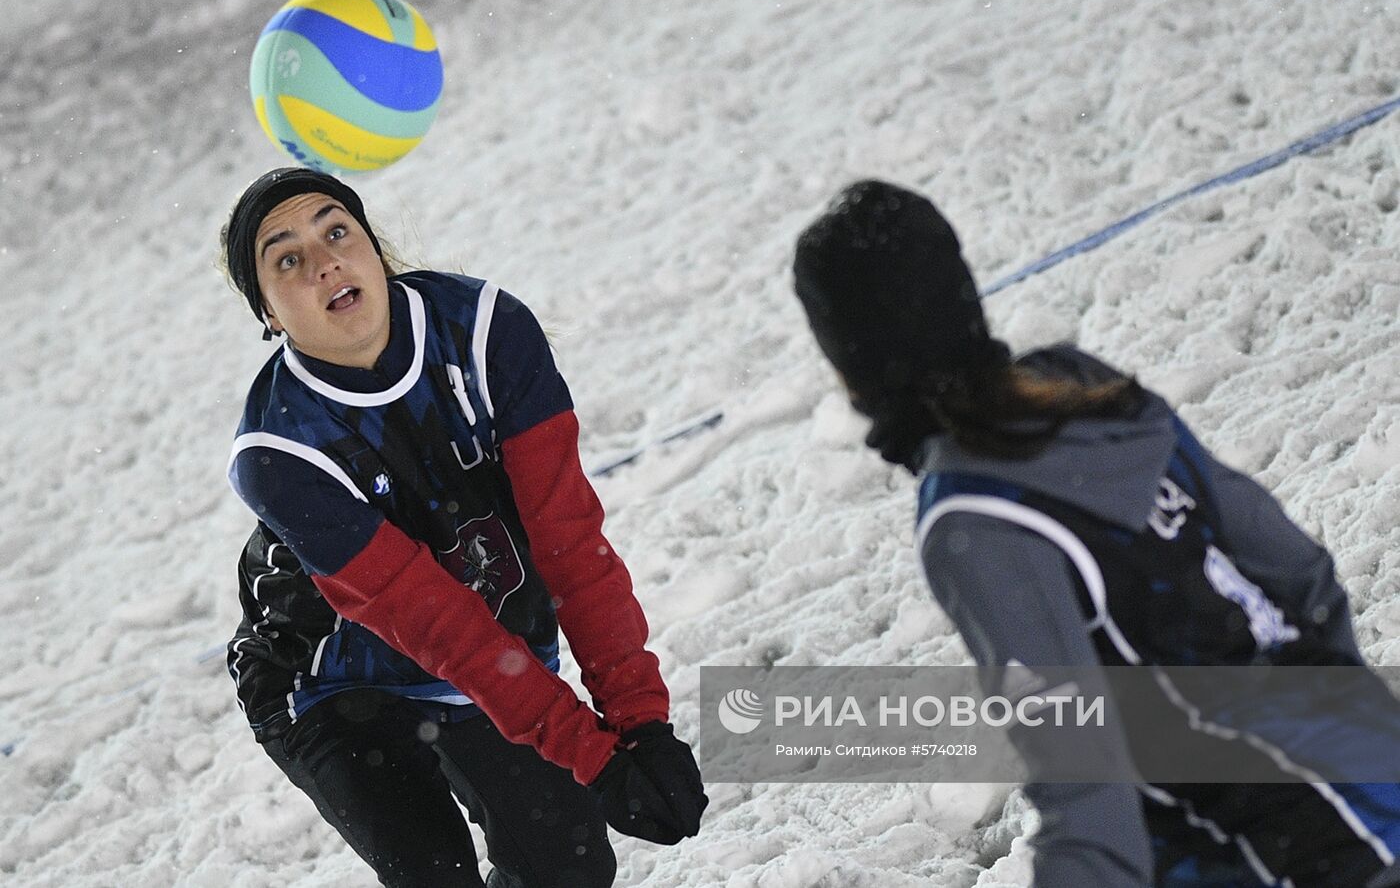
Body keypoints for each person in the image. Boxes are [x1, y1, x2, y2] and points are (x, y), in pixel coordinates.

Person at [791, 178, 1400, 888]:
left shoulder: (974, 516)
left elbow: (1087, 790)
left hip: (1296, 847)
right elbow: (1294, 568)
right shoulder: (1081, 385)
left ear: (853, 363)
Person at [219, 167, 707, 888]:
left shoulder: (487, 332)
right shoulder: (277, 455)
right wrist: (594, 754)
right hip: (331, 687)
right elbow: (441, 626)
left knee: (569, 873)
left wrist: (641, 722)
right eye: (287, 258)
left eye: (336, 230)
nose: (324, 261)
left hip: (486, 656)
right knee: (436, 873)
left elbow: (570, 544)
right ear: (268, 313)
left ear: (373, 251)